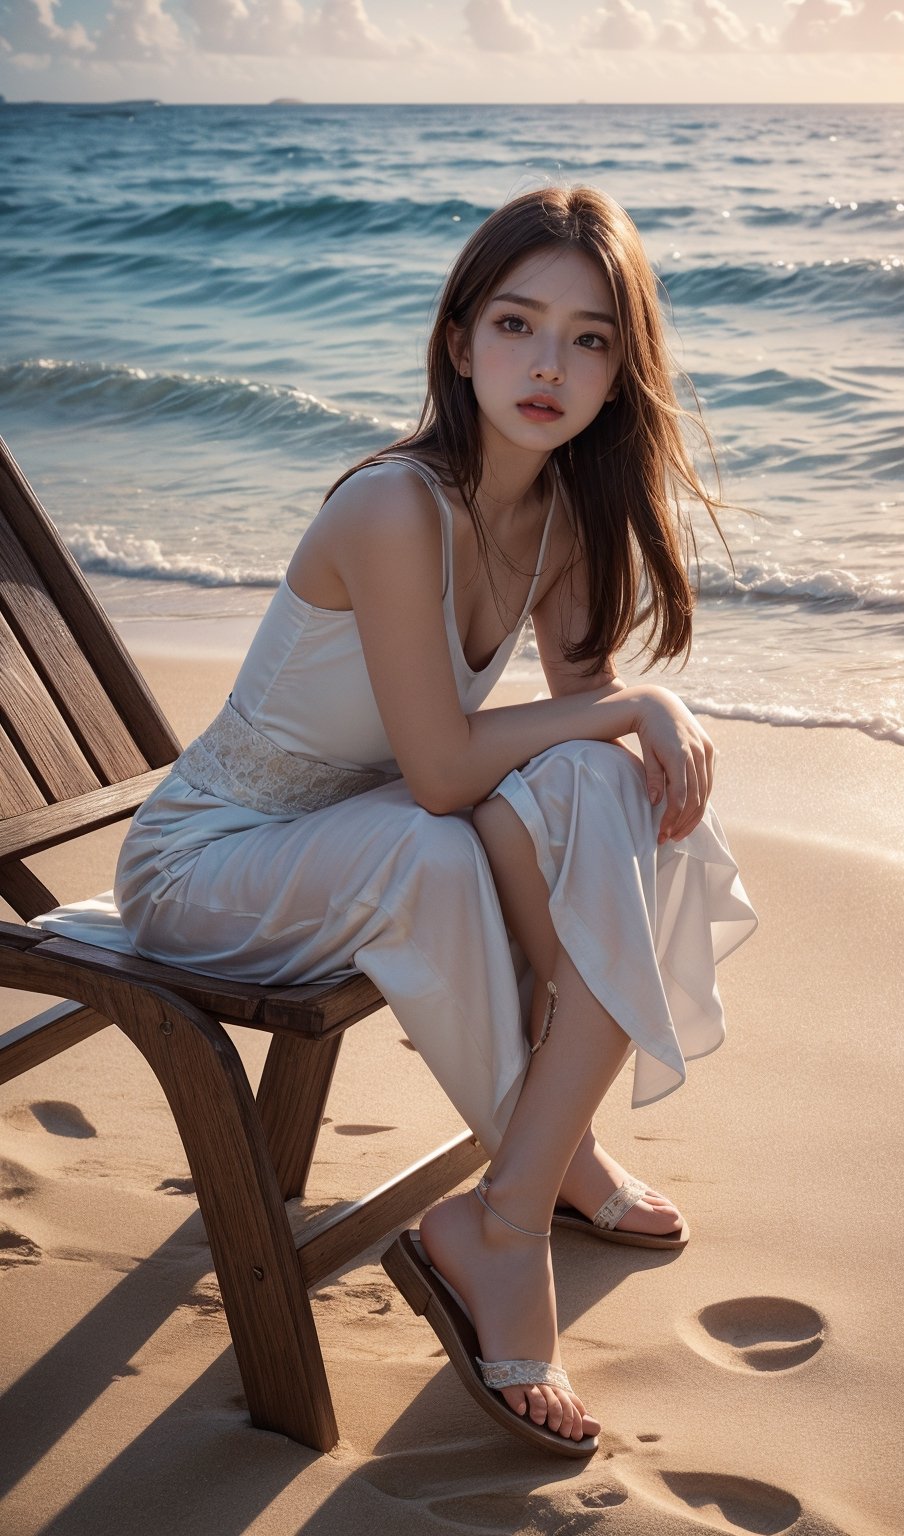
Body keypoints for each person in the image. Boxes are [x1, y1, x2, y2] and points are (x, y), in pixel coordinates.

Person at [44, 185, 756, 1455]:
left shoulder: (565, 519)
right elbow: (440, 773)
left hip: (358, 835)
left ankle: (530, 1173)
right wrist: (635, 703)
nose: (548, 364)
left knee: (611, 792)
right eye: (517, 324)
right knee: (449, 834)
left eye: (589, 338)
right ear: (458, 340)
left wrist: (631, 730)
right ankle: (519, 1213)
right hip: (208, 863)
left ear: (620, 370)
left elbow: (578, 758)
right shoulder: (392, 507)